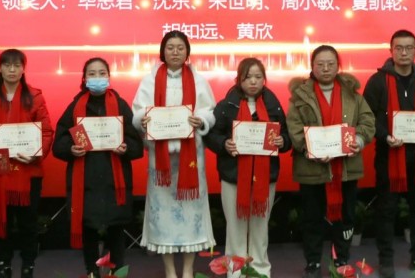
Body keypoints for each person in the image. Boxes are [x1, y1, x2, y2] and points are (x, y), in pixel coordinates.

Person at [132, 30, 216, 278]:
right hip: (161, 161)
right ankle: (169, 270)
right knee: (163, 218)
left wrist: (200, 119)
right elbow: (138, 112)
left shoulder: (198, 80)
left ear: (187, 52)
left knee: (191, 215)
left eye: (180, 48)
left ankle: (188, 269)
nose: (175, 52)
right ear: (163, 51)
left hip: (191, 159)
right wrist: (143, 119)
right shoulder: (149, 80)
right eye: (170, 48)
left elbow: (209, 110)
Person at [286, 45, 375, 278]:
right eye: (320, 64)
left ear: (338, 66)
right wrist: (310, 148)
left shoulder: (352, 93)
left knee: (346, 217)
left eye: (330, 64)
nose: (325, 68)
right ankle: (313, 262)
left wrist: (358, 140)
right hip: (312, 168)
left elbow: (367, 121)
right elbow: (293, 127)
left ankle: (342, 260)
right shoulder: (300, 96)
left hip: (345, 168)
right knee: (312, 218)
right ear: (312, 66)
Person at [52, 57, 144, 277]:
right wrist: (71, 148)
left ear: (109, 77)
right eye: (92, 74)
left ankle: (116, 273)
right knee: (89, 231)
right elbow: (59, 144)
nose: (97, 78)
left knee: (116, 230)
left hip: (115, 181)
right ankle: (92, 272)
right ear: (84, 79)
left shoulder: (120, 105)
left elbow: (137, 145)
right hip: (86, 181)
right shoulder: (75, 106)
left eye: (102, 73)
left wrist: (125, 147)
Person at [363, 29, 415, 278]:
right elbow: (367, 116)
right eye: (399, 48)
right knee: (386, 210)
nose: (404, 52)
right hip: (389, 156)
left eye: (409, 48)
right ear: (391, 51)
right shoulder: (378, 81)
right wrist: (385, 136)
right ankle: (386, 260)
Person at [0, 49, 54, 278]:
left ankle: (28, 266)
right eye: (7, 65)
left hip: (29, 172)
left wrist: (36, 153)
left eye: (17, 65)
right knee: (1, 223)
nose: (12, 70)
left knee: (28, 223)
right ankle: (3, 265)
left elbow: (46, 132)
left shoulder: (35, 97)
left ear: (23, 69)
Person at [206, 57, 291, 277]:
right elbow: (211, 135)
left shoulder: (273, 104)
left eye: (258, 77)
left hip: (265, 177)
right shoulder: (227, 105)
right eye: (248, 77)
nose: (253, 81)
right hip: (233, 176)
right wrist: (224, 144)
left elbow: (287, 135)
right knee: (235, 226)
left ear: (264, 79)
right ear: (239, 79)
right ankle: (235, 271)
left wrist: (282, 141)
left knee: (260, 226)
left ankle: (259, 270)